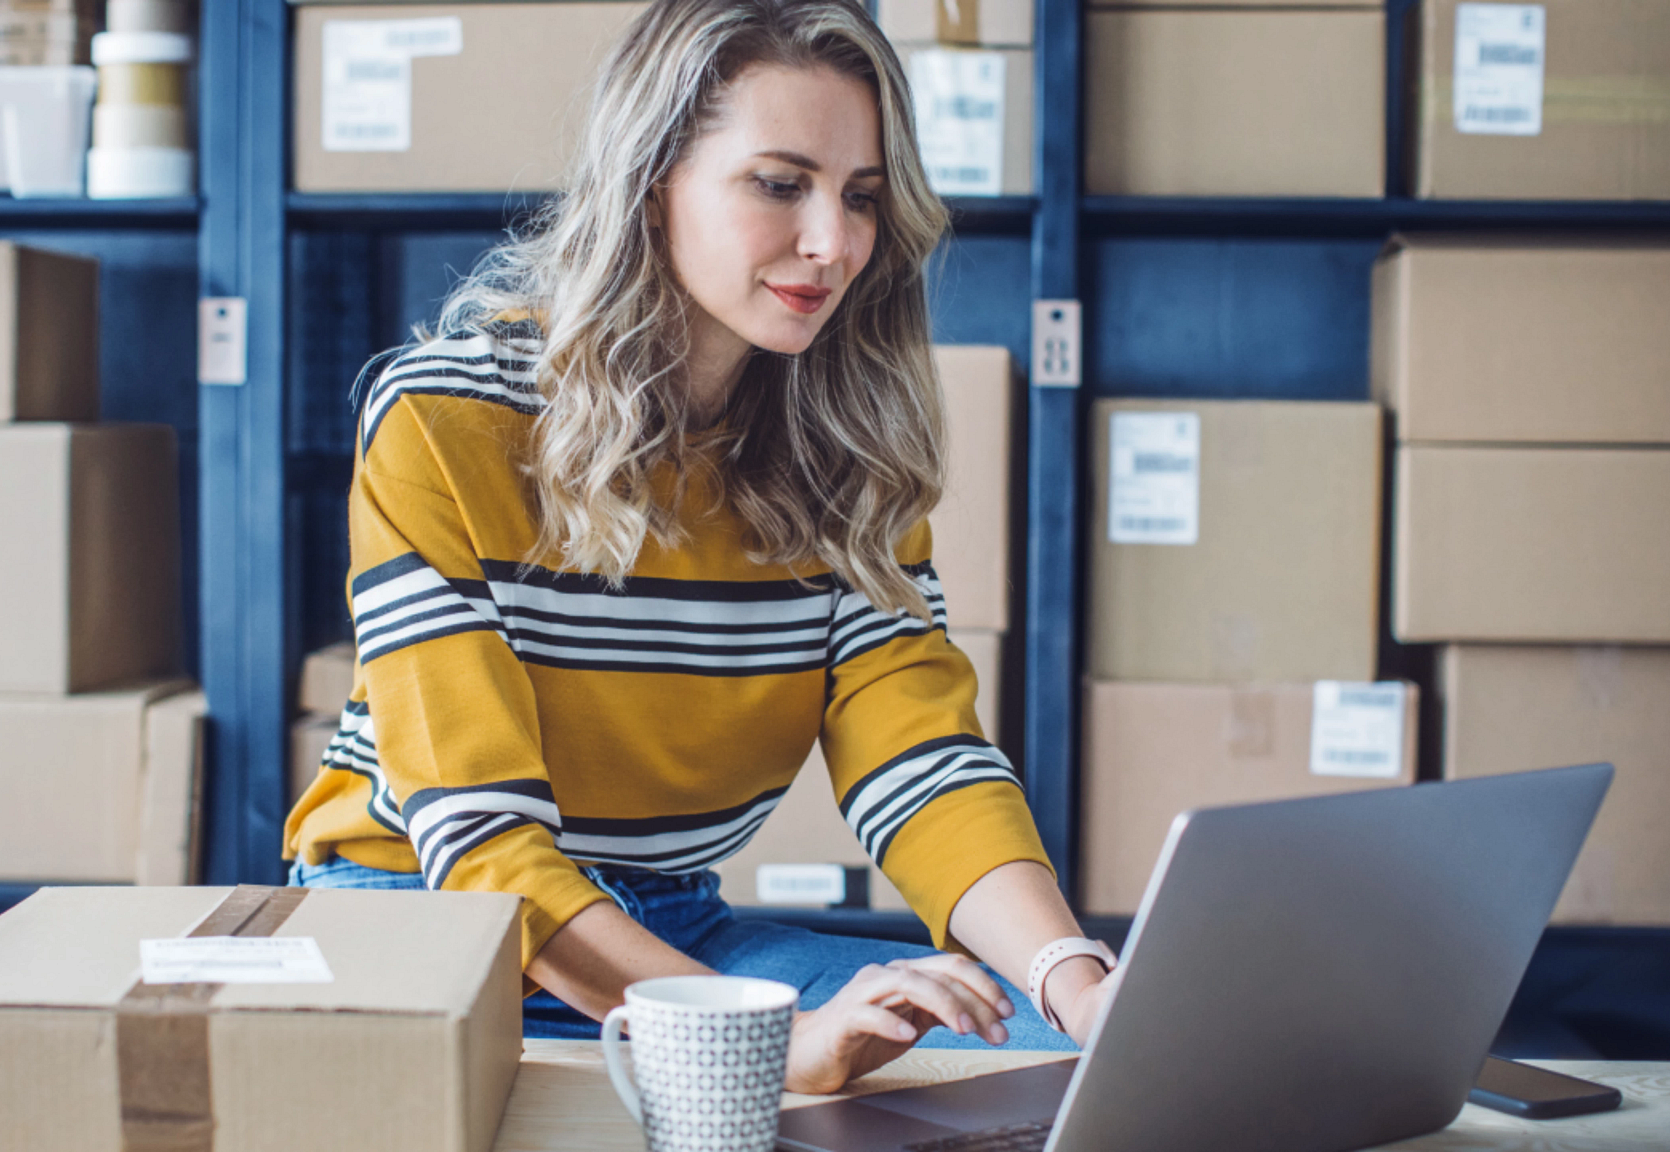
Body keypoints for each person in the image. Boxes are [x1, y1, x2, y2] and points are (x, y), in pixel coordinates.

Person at [284, 0, 1112, 1094]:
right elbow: (477, 838)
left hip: (673, 925)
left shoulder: (846, 450)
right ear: (650, 182)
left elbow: (920, 766)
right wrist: (753, 1045)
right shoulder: (445, 418)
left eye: (861, 197)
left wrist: (1077, 984)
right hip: (425, 923)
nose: (833, 242)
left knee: (1028, 1061)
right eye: (779, 184)